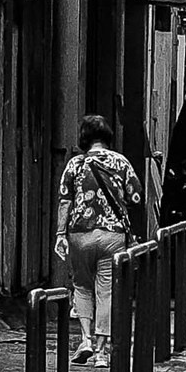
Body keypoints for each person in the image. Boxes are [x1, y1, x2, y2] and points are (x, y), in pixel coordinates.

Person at [58, 108, 140, 359]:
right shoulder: (121, 162)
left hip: (80, 234)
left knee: (81, 286)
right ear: (107, 136)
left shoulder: (75, 164)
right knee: (106, 290)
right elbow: (136, 197)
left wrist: (60, 234)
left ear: (84, 137)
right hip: (112, 235)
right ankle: (102, 352)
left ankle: (85, 339)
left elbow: (65, 200)